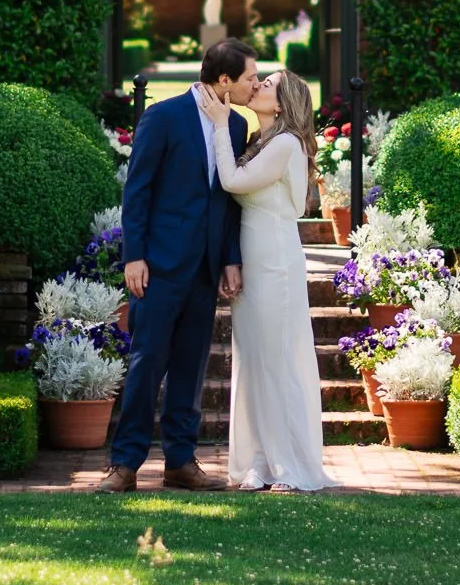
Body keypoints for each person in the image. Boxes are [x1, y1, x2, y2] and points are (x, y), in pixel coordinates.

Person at [106, 37, 258, 493]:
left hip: (206, 268)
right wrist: (134, 255)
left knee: (191, 367)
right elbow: (138, 190)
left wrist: (230, 259)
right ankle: (125, 465)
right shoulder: (163, 117)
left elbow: (229, 202)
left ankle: (180, 462)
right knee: (147, 362)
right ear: (225, 80)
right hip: (158, 265)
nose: (255, 85)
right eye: (250, 78)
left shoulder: (235, 127)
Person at [195, 67, 329, 492]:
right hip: (252, 256)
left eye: (266, 84)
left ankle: (288, 466)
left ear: (284, 102)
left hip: (274, 258)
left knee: (276, 362)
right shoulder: (259, 141)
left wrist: (218, 126)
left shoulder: (287, 144)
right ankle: (258, 462)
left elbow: (233, 182)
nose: (257, 86)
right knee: (251, 361)